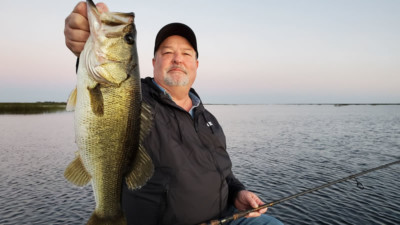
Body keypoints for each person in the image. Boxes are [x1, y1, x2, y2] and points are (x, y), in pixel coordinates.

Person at [64, 2, 284, 225]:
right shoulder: (139, 100)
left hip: (227, 218)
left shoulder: (208, 120)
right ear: (153, 62)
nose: (178, 59)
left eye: (186, 53)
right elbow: (108, 86)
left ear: (196, 65)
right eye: (168, 52)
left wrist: (238, 193)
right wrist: (82, 46)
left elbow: (224, 173)